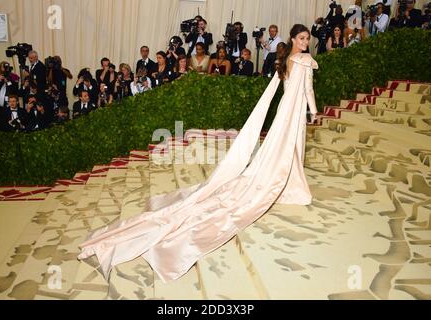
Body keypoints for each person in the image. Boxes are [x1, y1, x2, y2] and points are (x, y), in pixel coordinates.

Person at [78, 24, 319, 284]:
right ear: (294, 38)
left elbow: (285, 92)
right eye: (302, 37)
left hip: (285, 110)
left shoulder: (286, 61)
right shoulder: (305, 60)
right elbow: (307, 91)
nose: (306, 42)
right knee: (288, 146)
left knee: (279, 147)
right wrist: (313, 111)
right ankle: (289, 182)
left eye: (307, 38)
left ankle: (287, 180)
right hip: (292, 112)